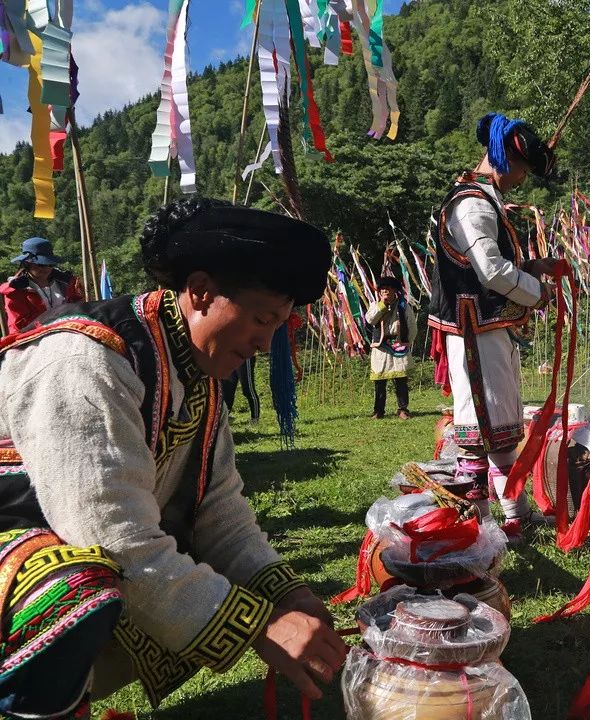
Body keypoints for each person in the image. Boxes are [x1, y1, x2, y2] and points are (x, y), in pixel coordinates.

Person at [0, 198, 346, 717]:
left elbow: (220, 512)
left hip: (59, 537)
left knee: (98, 575)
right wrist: (258, 625)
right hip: (21, 536)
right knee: (73, 588)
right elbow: (111, 535)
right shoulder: (86, 359)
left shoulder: (194, 372)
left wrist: (286, 595)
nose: (263, 343)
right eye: (261, 319)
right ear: (201, 292)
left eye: (278, 326)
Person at [428, 112, 557, 542]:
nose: (522, 179)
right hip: (473, 332)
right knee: (482, 427)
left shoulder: (482, 201)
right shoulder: (471, 203)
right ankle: (485, 522)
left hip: (484, 329)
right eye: (521, 169)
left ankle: (510, 512)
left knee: (498, 423)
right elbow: (493, 273)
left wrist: (532, 267)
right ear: (504, 160)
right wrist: (537, 292)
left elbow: (494, 267)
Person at [1, 237, 84, 333]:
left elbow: (77, 305)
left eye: (50, 264)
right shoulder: (15, 290)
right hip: (30, 337)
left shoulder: (66, 282)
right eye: (41, 264)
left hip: (67, 329)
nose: (47, 268)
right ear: (27, 264)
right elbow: (20, 324)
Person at [366, 275, 417, 420]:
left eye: (388, 289)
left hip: (399, 345)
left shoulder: (403, 306)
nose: (385, 292)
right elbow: (370, 319)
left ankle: (403, 409)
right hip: (381, 347)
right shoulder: (374, 305)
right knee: (379, 381)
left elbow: (412, 325)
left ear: (395, 290)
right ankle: (378, 411)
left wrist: (407, 342)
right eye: (382, 289)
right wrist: (382, 305)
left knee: (401, 379)